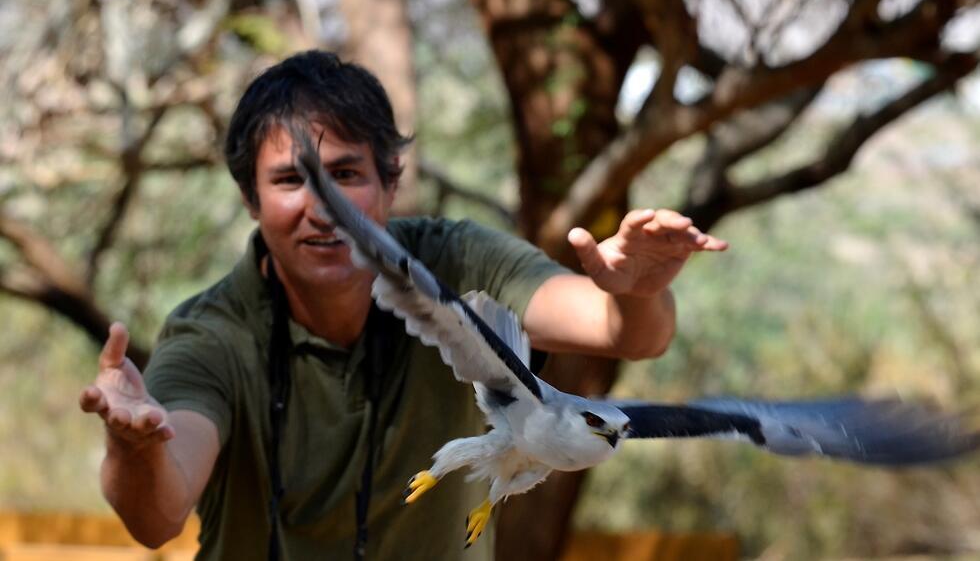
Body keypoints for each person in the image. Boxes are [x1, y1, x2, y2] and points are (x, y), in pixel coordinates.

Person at [78, 50, 728, 561]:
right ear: (251, 199)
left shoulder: (458, 263)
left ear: (391, 181)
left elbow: (623, 329)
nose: (321, 206)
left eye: (346, 175)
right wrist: (132, 448)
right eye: (289, 180)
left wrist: (638, 289)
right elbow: (158, 513)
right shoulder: (212, 333)